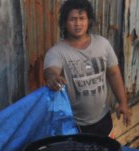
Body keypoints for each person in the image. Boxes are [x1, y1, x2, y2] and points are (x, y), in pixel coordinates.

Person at [43, 0, 130, 136]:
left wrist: (123, 103)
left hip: (103, 119)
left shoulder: (103, 44)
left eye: (82, 18)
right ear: (65, 23)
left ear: (88, 21)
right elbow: (51, 71)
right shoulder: (57, 52)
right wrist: (52, 78)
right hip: (74, 124)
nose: (78, 24)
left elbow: (114, 74)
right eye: (73, 19)